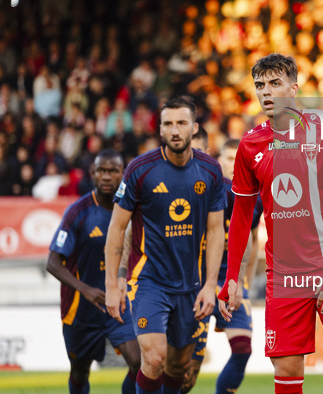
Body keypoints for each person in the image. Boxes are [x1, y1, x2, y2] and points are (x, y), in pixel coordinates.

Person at [218, 53, 323, 393]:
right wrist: (232, 276)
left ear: (293, 89)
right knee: (288, 374)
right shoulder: (250, 145)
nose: (267, 92)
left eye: (275, 84)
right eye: (261, 85)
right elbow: (241, 217)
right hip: (283, 277)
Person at [105, 96, 226, 394]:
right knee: (155, 357)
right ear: (159, 129)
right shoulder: (140, 169)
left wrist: (210, 284)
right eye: (168, 124)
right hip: (148, 281)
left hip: (189, 284)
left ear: (194, 128)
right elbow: (117, 229)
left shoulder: (211, 171)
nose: (175, 130)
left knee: (178, 368)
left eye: (181, 123)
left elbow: (215, 231)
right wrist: (112, 284)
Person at [46, 149, 140, 394]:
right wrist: (85, 290)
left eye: (113, 171)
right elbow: (53, 262)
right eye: (101, 171)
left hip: (121, 305)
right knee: (79, 372)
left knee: (140, 364)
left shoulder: (133, 211)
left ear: (123, 173)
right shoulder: (78, 212)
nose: (107, 176)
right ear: (93, 174)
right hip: (82, 310)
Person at [182, 137, 260, 394]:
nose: (236, 164)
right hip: (199, 285)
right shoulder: (203, 192)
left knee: (243, 349)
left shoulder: (254, 198)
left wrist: (244, 279)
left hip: (233, 282)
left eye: (241, 159)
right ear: (219, 161)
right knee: (187, 370)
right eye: (230, 158)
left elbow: (253, 239)